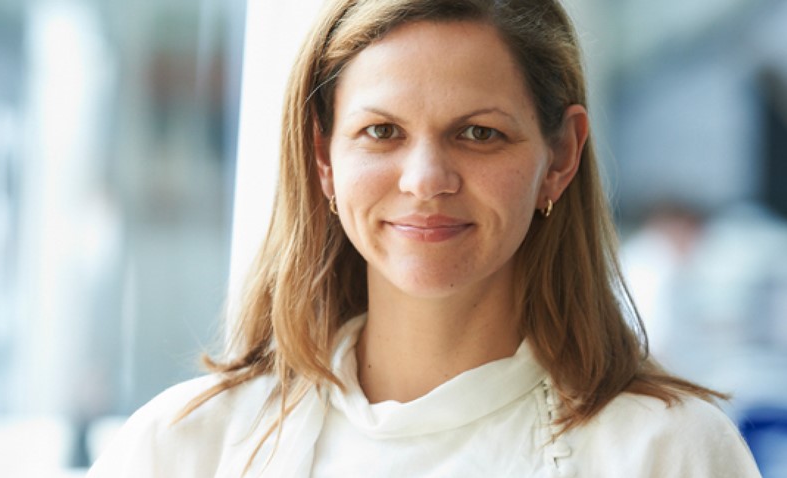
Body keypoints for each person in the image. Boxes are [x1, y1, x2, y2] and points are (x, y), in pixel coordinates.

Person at [88, 0, 762, 476]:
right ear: (324, 157)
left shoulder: (669, 456)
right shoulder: (180, 451)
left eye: (479, 133)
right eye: (382, 132)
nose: (426, 179)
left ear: (560, 156)